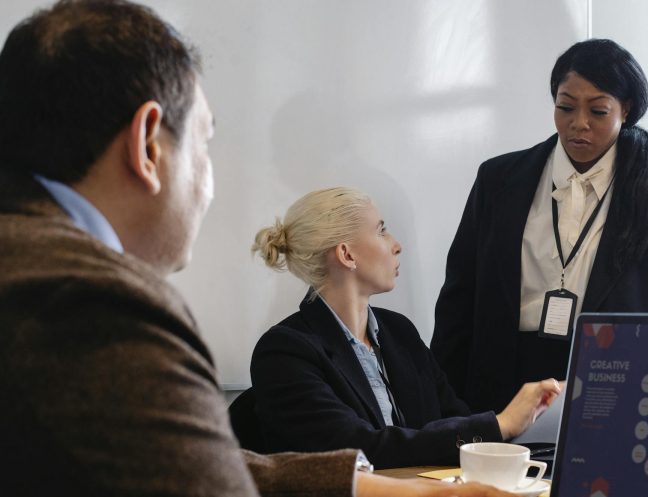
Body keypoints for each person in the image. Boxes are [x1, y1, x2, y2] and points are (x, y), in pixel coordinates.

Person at [0, 1, 522, 496]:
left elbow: (207, 461)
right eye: (205, 143)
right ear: (147, 144)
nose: (210, 182)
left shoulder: (32, 263)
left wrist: (380, 489)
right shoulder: (92, 302)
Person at [430, 38, 648, 415]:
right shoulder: (498, 180)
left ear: (625, 110)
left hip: (614, 385)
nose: (578, 124)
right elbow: (459, 300)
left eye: (598, 111)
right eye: (565, 107)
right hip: (499, 383)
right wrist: (442, 407)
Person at [247, 187, 561, 469]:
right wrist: (501, 424)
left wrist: (516, 423)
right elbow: (360, 451)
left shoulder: (399, 332)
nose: (397, 245)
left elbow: (454, 419)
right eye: (381, 231)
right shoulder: (284, 353)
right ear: (346, 254)